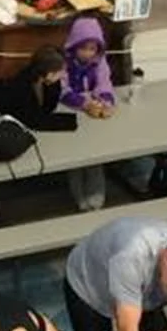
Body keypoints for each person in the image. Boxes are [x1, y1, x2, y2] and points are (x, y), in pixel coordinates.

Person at [61, 16, 119, 212]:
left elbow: (104, 82)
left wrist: (105, 100)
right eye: (83, 48)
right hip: (70, 110)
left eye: (92, 49)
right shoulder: (63, 62)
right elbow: (62, 89)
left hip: (92, 118)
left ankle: (95, 193)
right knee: (76, 157)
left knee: (95, 155)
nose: (87, 53)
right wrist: (84, 104)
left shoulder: (99, 62)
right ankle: (78, 193)